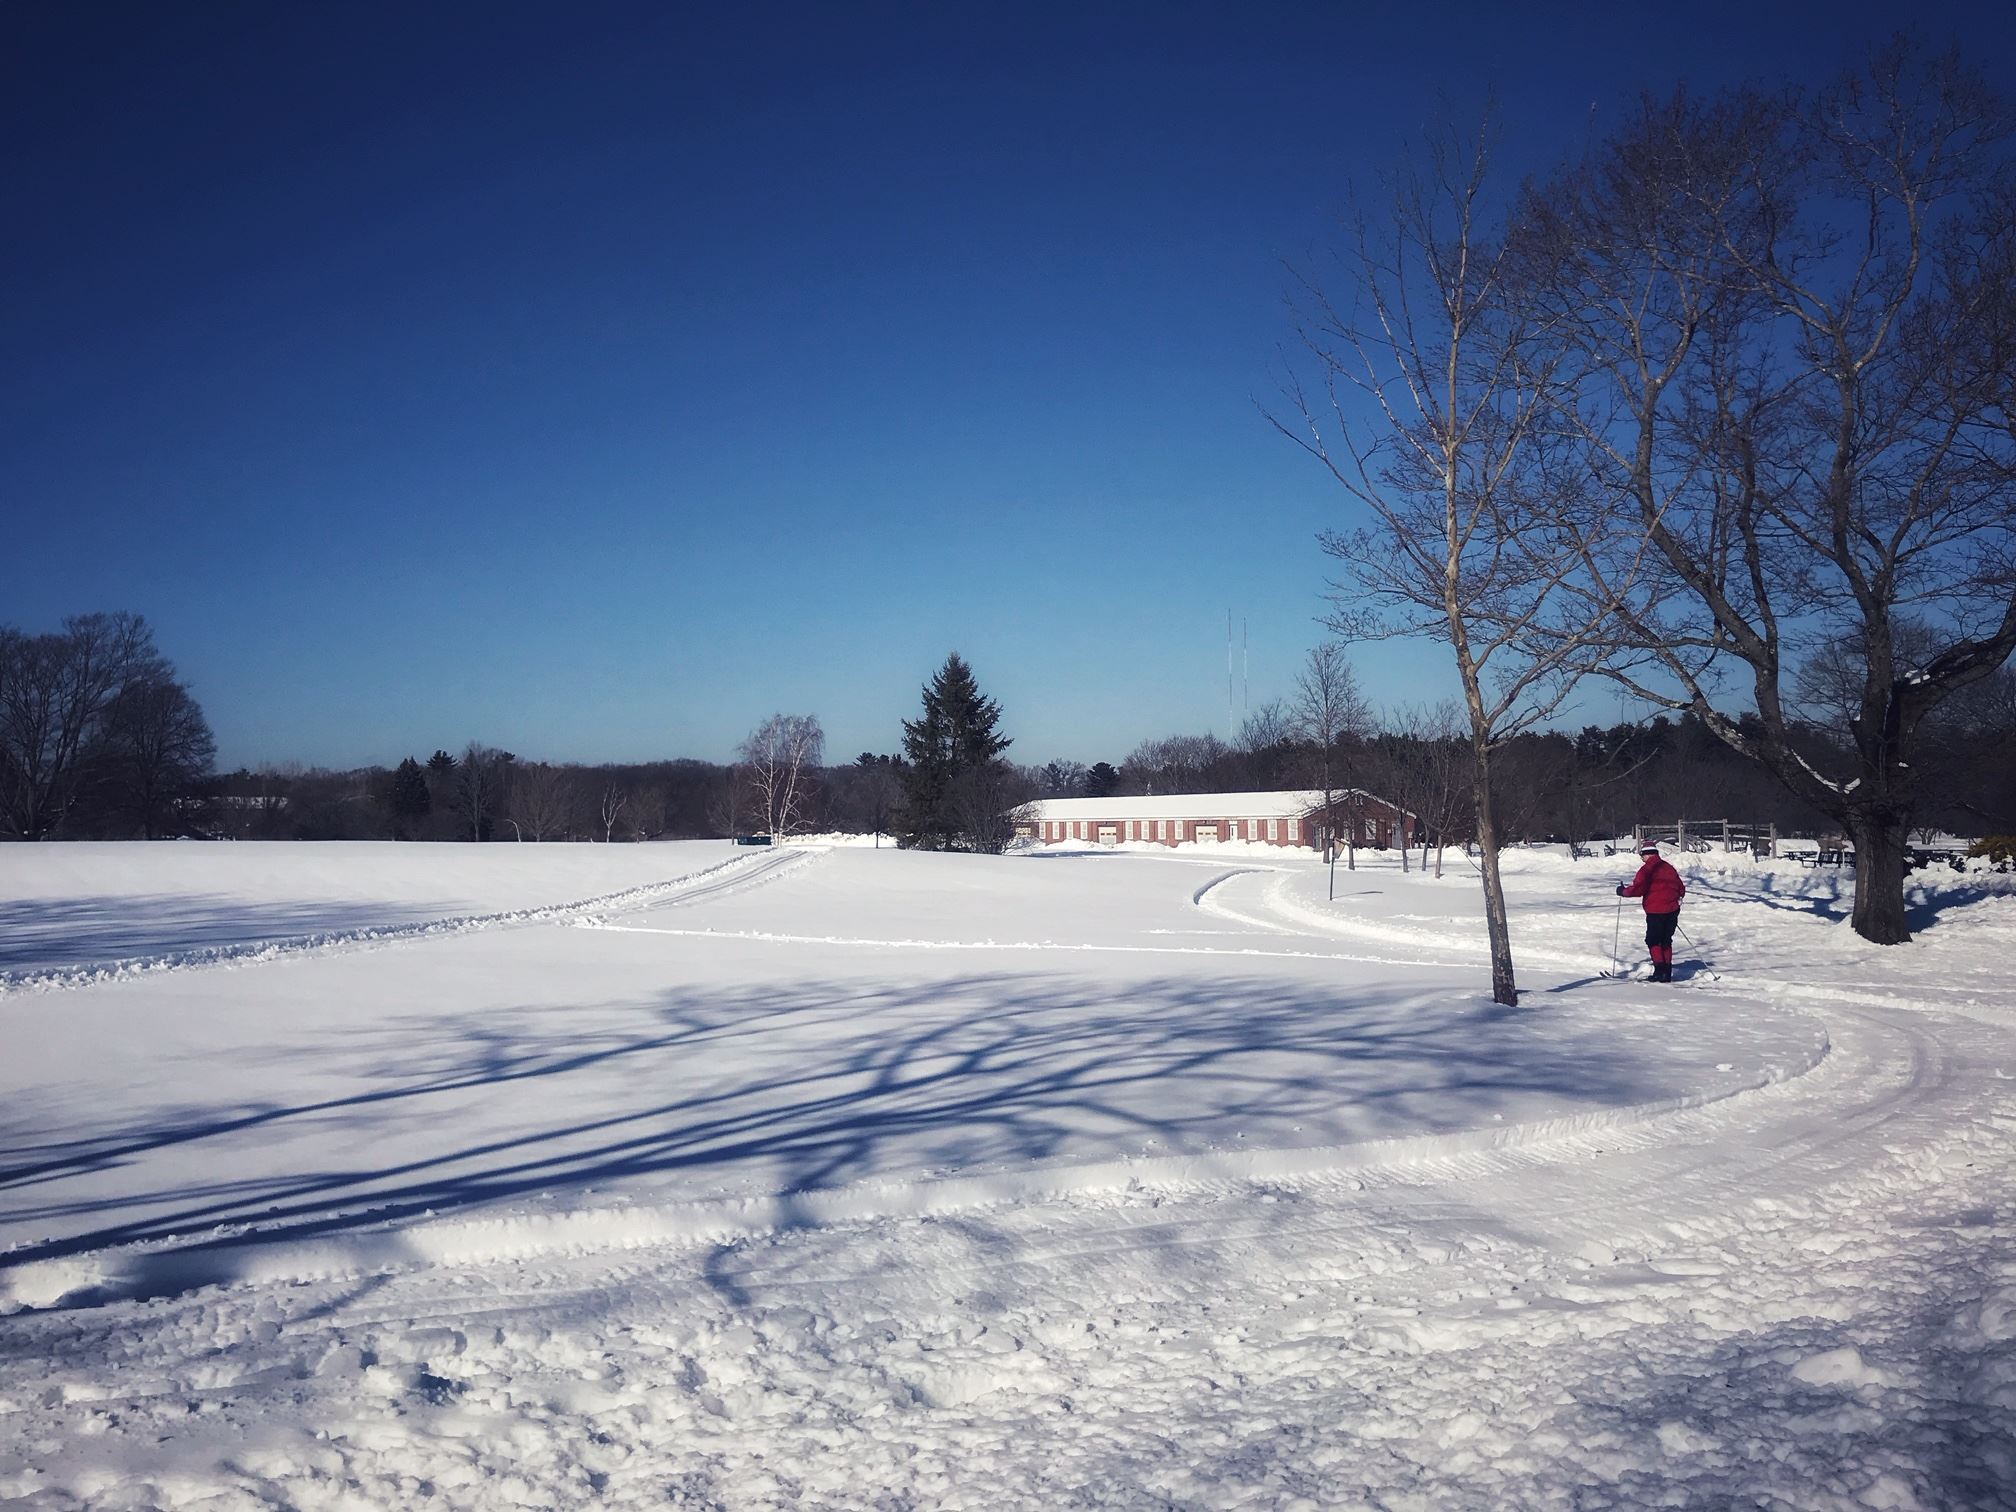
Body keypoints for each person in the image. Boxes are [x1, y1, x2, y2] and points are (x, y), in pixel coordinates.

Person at [1617, 841, 1687, 982]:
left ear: (1647, 854)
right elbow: (1681, 888)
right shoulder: (1668, 867)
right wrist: (1674, 900)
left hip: (1655, 911)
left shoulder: (1647, 870)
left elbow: (1638, 889)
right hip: (1672, 910)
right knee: (1666, 940)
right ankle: (1667, 972)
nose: (1641, 858)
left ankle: (1659, 972)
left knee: (1653, 940)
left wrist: (1623, 891)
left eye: (1642, 855)